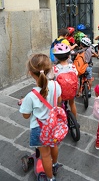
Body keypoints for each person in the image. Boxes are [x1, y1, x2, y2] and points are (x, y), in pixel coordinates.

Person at [19, 53, 62, 181]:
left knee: (45, 155)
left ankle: (50, 178)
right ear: (49, 70)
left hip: (40, 129)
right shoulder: (55, 85)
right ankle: (55, 164)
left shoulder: (31, 96)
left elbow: (26, 116)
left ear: (31, 73)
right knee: (54, 146)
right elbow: (59, 100)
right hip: (54, 125)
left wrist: (26, 104)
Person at [51, 43, 78, 118]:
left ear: (56, 57)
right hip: (72, 91)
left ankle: (61, 121)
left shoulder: (55, 69)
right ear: (69, 56)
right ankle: (75, 120)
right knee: (72, 103)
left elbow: (51, 79)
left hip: (61, 94)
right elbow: (76, 74)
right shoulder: (72, 66)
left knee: (59, 105)